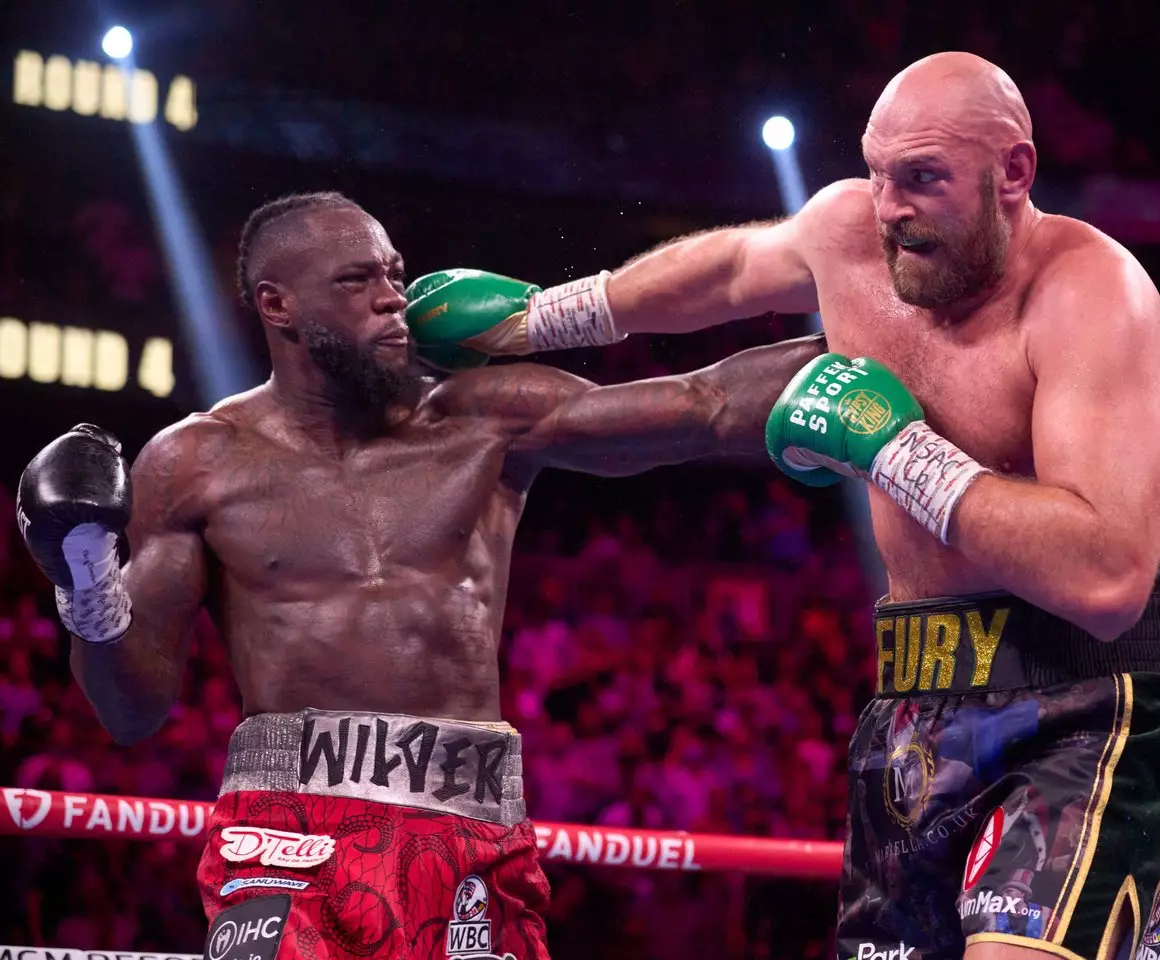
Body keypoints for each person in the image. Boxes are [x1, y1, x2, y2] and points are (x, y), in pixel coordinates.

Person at [438, 53, 1160, 960]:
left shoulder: (1091, 297)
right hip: (920, 692)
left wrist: (897, 450)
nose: (890, 207)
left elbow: (1109, 574)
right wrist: (540, 317)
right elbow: (729, 269)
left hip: (1095, 691)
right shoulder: (854, 227)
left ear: (1014, 173)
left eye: (923, 178)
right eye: (879, 173)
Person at [15, 191, 825, 960]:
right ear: (277, 306)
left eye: (395, 275)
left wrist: (891, 329)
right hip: (283, 838)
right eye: (356, 280)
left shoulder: (483, 418)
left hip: (469, 832)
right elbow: (130, 710)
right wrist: (86, 584)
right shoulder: (195, 463)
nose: (392, 298)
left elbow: (705, 404)